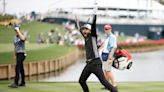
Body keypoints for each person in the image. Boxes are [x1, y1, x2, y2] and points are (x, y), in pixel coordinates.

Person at [75, 14, 118, 92]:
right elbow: (80, 30)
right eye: (84, 29)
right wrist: (77, 21)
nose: (84, 31)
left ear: (90, 31)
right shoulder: (86, 37)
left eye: (86, 29)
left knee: (104, 82)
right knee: (81, 81)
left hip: (96, 63)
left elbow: (93, 25)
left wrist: (94, 14)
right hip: (88, 64)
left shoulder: (93, 37)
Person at [99, 24, 117, 89]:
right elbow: (104, 45)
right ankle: (107, 85)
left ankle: (114, 85)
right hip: (105, 55)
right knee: (106, 71)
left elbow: (113, 47)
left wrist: (110, 58)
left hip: (108, 55)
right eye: (105, 29)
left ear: (110, 29)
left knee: (108, 71)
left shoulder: (112, 37)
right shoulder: (107, 37)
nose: (106, 30)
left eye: (108, 29)